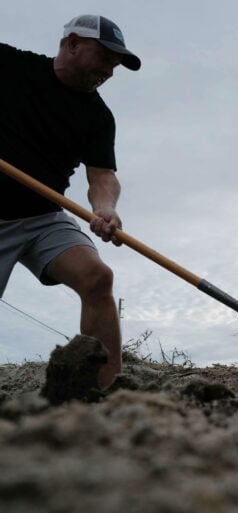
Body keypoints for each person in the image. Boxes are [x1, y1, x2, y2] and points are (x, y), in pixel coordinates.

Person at [0, 15, 141, 388]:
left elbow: (102, 176)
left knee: (97, 278)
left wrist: (105, 208)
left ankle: (107, 391)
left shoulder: (97, 115)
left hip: (42, 217)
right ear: (73, 43)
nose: (109, 72)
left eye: (115, 65)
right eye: (105, 58)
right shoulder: (12, 66)